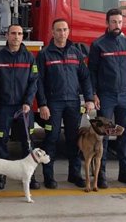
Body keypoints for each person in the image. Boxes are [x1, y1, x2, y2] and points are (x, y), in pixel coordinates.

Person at [36, 19, 95, 189]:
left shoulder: (76, 53)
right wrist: (42, 104)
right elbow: (38, 82)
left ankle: (74, 175)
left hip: (73, 103)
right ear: (52, 32)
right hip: (53, 104)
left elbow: (85, 77)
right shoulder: (44, 54)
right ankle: (48, 177)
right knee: (51, 139)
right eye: (58, 30)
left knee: (73, 140)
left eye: (64, 30)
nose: (62, 33)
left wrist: (89, 99)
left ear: (68, 31)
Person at [88, 8, 126, 188]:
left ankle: (124, 173)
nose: (117, 25)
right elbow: (92, 71)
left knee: (123, 135)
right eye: (113, 22)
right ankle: (100, 175)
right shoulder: (98, 45)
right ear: (107, 23)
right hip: (106, 96)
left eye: (119, 22)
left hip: (124, 96)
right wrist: (93, 93)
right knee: (102, 135)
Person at [0, 24, 40, 191]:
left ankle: (30, 177)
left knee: (27, 142)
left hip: (24, 108)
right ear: (7, 36)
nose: (16, 37)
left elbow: (33, 83)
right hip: (4, 107)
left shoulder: (30, 57)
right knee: (1, 141)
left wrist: (27, 102)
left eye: (19, 34)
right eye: (13, 33)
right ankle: (0, 177)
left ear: (22, 37)